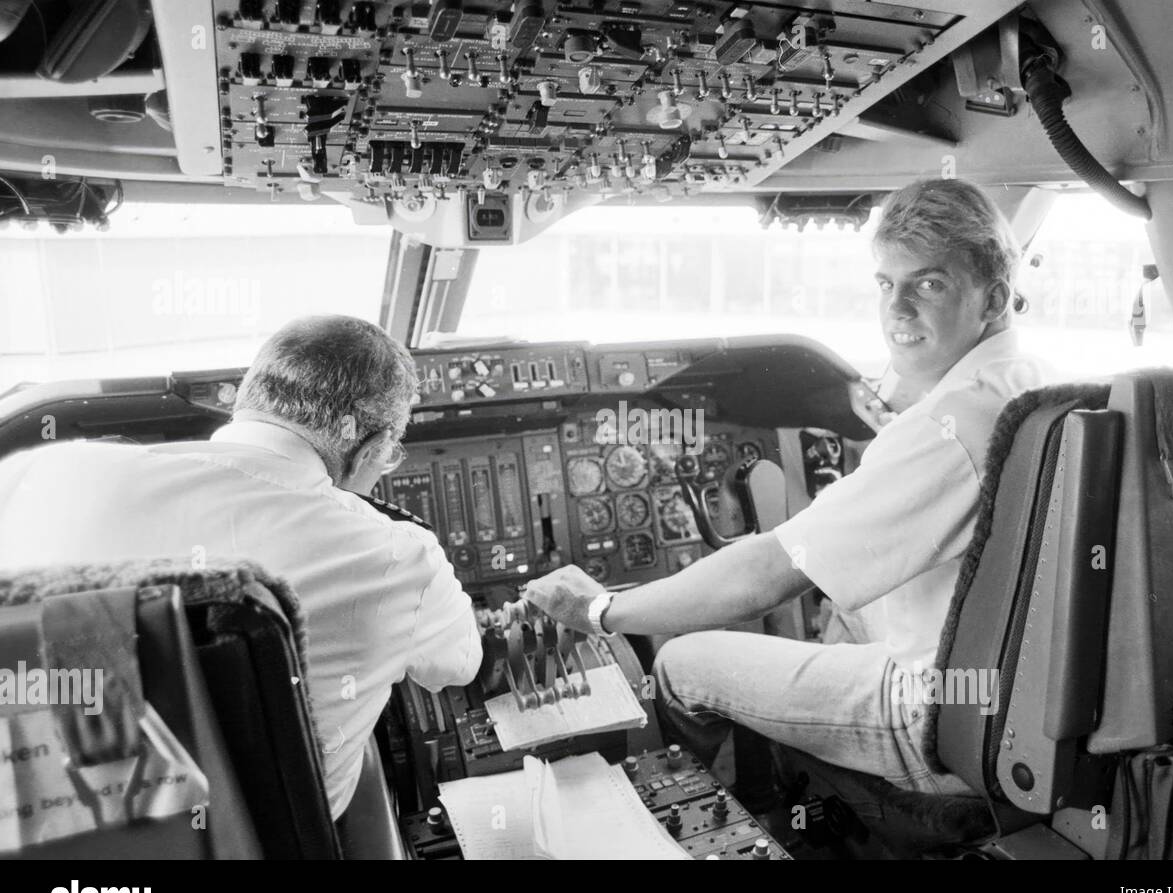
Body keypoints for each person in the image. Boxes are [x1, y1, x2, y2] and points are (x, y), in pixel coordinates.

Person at [523, 178, 1052, 795]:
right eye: (887, 284)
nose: (897, 310)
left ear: (993, 300)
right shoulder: (1027, 382)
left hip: (936, 712)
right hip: (1010, 687)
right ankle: (817, 788)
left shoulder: (946, 428)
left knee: (679, 663)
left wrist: (601, 609)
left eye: (929, 284)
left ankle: (718, 823)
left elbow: (767, 574)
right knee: (842, 611)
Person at [0, 316, 481, 818]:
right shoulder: (397, 556)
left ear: (246, 401)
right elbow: (459, 665)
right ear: (372, 448)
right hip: (251, 844)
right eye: (389, 454)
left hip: (47, 832)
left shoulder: (33, 476)